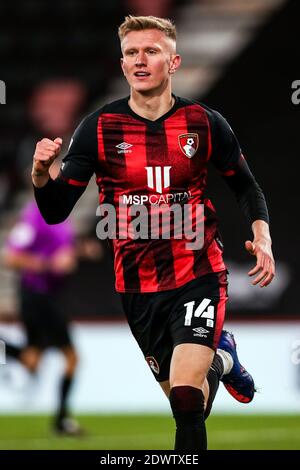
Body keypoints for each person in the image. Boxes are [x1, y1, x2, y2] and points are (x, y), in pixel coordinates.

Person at [30, 16, 275, 450]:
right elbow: (55, 211)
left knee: (184, 396)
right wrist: (40, 175)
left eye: (151, 51)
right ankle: (222, 357)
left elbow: (244, 184)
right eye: (131, 53)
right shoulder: (97, 129)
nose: (140, 60)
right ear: (122, 65)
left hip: (199, 270)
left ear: (174, 61)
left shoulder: (203, 122)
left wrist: (264, 237)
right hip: (137, 286)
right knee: (191, 402)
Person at [2, 197, 83, 436]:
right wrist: (49, 264)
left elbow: (64, 253)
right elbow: (11, 256)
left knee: (31, 358)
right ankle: (61, 420)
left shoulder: (61, 217)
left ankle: (61, 420)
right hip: (37, 296)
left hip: (48, 296)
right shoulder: (34, 216)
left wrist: (73, 256)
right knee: (72, 357)